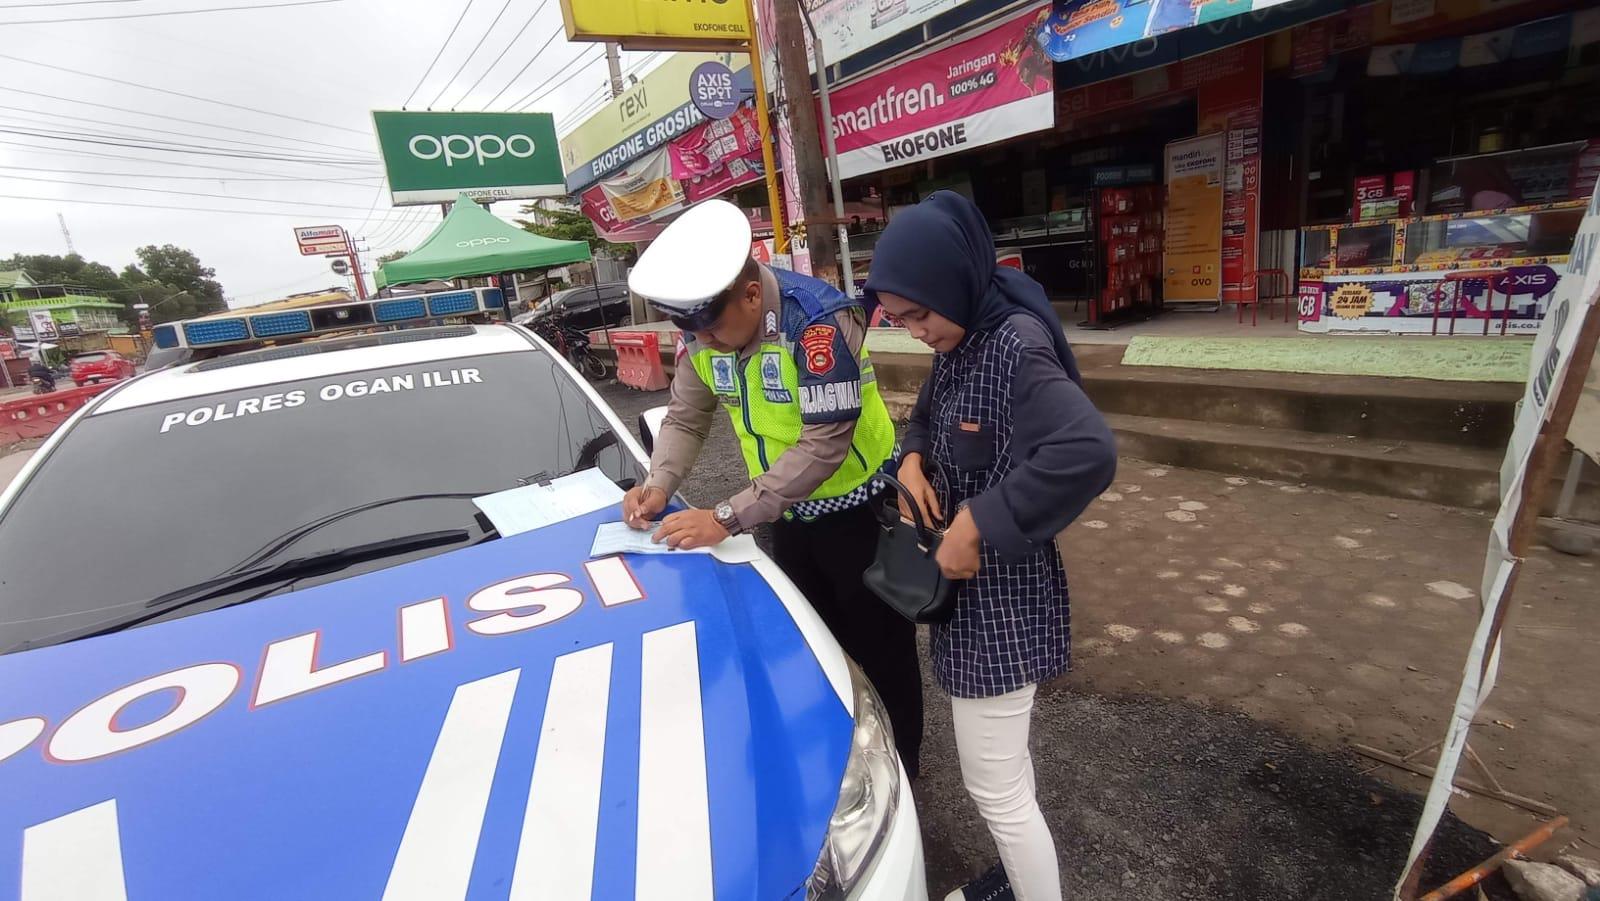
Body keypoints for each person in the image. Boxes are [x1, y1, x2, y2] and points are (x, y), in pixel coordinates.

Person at [864, 192, 1117, 901]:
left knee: (996, 790)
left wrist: (977, 521)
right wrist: (912, 457)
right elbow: (926, 416)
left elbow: (1089, 450)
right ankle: (1019, 878)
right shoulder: (962, 336)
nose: (912, 332)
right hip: (966, 602)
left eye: (918, 315)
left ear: (952, 284)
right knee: (1005, 775)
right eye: (899, 318)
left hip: (1001, 608)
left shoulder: (1014, 344)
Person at [621, 198, 924, 777]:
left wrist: (728, 517)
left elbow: (824, 444)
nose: (703, 344)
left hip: (864, 515)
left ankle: (904, 778)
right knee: (811, 649)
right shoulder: (704, 333)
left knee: (883, 657)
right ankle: (840, 768)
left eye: (711, 328)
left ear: (752, 296)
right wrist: (658, 484)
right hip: (788, 516)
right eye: (694, 332)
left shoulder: (818, 324)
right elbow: (686, 418)